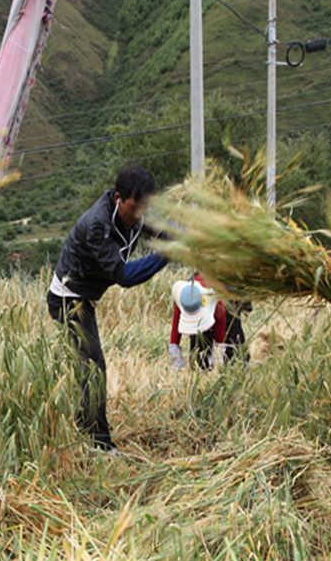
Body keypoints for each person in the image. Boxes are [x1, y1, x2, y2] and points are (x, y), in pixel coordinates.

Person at [47, 166, 167, 452]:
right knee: (93, 368)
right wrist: (167, 255)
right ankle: (98, 442)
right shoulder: (97, 224)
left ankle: (84, 427)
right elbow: (123, 275)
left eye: (143, 209)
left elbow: (163, 231)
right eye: (134, 208)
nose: (138, 216)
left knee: (88, 367)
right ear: (118, 198)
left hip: (86, 298)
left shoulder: (135, 212)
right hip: (68, 298)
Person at [168, 274, 227, 369]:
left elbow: (220, 321)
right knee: (197, 360)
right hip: (201, 296)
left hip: (226, 295)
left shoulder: (214, 301)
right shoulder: (185, 297)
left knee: (230, 348)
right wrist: (174, 346)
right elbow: (176, 321)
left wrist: (219, 350)